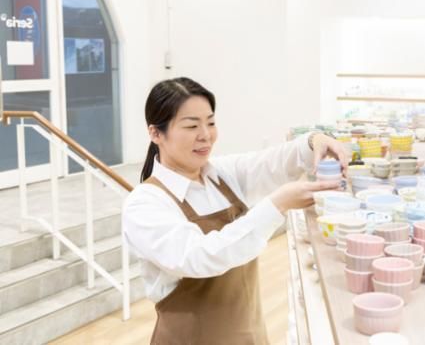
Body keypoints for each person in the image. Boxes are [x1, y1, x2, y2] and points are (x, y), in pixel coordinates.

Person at [122, 77, 347, 344]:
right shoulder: (144, 203)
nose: (205, 135)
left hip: (248, 333)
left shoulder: (220, 174)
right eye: (192, 125)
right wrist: (278, 205)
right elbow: (199, 257)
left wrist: (313, 141)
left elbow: (272, 162)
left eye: (210, 123)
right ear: (156, 133)